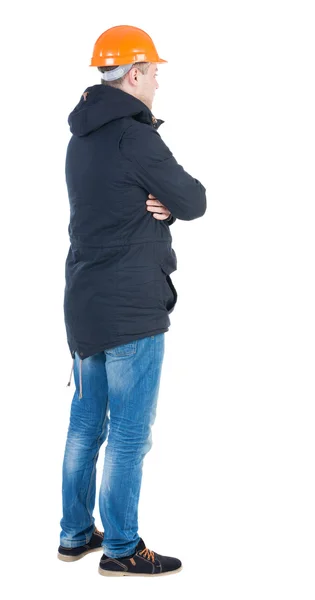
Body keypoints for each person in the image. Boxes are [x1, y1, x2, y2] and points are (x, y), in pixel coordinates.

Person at [58, 24, 207, 577]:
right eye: (155, 72)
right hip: (131, 307)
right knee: (127, 432)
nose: (159, 82)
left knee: (84, 424)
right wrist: (168, 202)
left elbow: (120, 201)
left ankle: (74, 536)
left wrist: (159, 203)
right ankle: (121, 548)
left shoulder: (81, 137)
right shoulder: (135, 136)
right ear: (135, 73)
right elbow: (193, 200)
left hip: (84, 302)